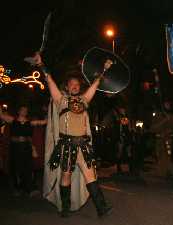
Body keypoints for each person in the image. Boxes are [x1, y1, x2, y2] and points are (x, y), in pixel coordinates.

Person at [25, 52, 113, 217]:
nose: (75, 86)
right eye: (72, 84)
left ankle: (101, 208)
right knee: (66, 175)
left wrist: (104, 69)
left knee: (91, 176)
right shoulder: (60, 100)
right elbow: (49, 80)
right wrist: (41, 65)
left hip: (82, 146)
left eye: (77, 84)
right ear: (66, 87)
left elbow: (95, 83)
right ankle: (65, 208)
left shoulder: (84, 100)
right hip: (66, 146)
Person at [0, 105, 47, 196]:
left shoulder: (30, 122)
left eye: (26, 110)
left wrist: (48, 111)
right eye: (23, 110)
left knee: (27, 167)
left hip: (26, 147)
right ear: (19, 111)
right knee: (15, 166)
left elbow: (44, 122)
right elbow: (1, 115)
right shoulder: (12, 120)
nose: (24, 111)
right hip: (15, 147)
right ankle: (17, 188)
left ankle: (29, 188)